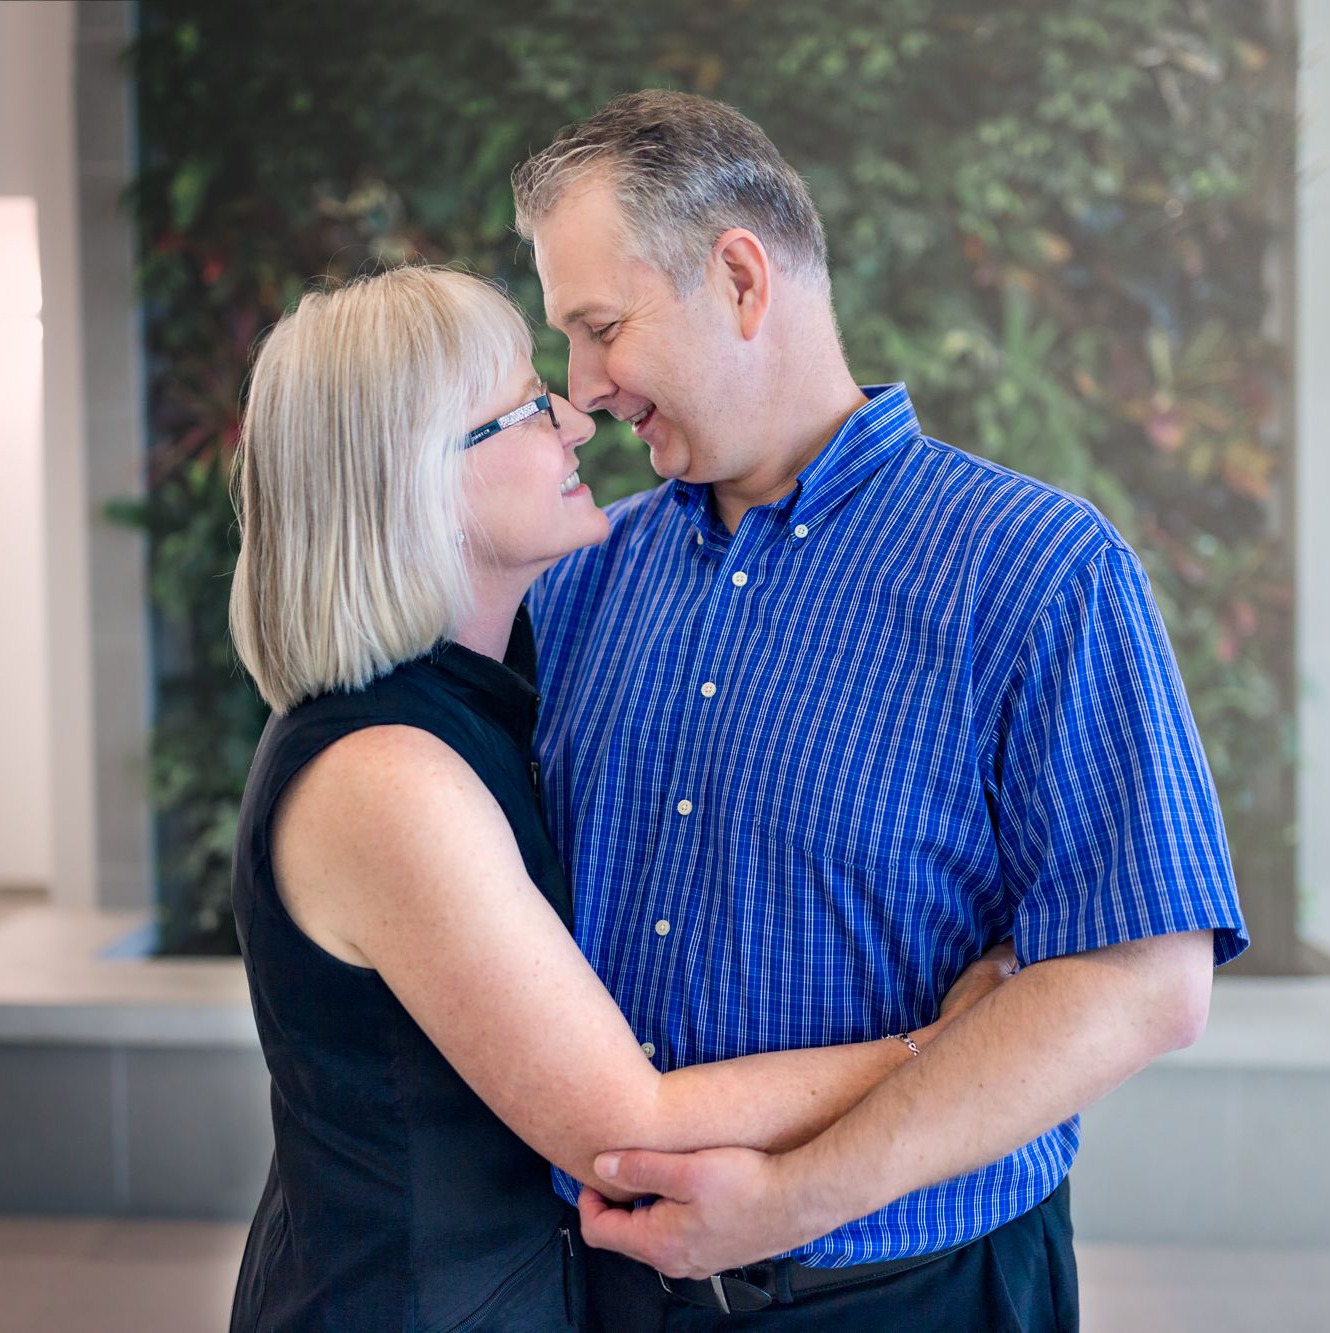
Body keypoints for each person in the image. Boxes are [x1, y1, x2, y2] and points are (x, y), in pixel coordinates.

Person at [514, 90, 1251, 1328]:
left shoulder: (1037, 568)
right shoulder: (581, 576)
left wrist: (793, 1196)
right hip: (593, 1292)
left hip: (914, 1292)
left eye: (602, 328)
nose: (583, 390)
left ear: (740, 279)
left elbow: (1143, 980)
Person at [222, 265, 1017, 1332]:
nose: (575, 420)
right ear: (416, 480)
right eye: (521, 408)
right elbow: (623, 1124)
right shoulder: (385, 777)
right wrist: (952, 1041)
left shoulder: (479, 693)